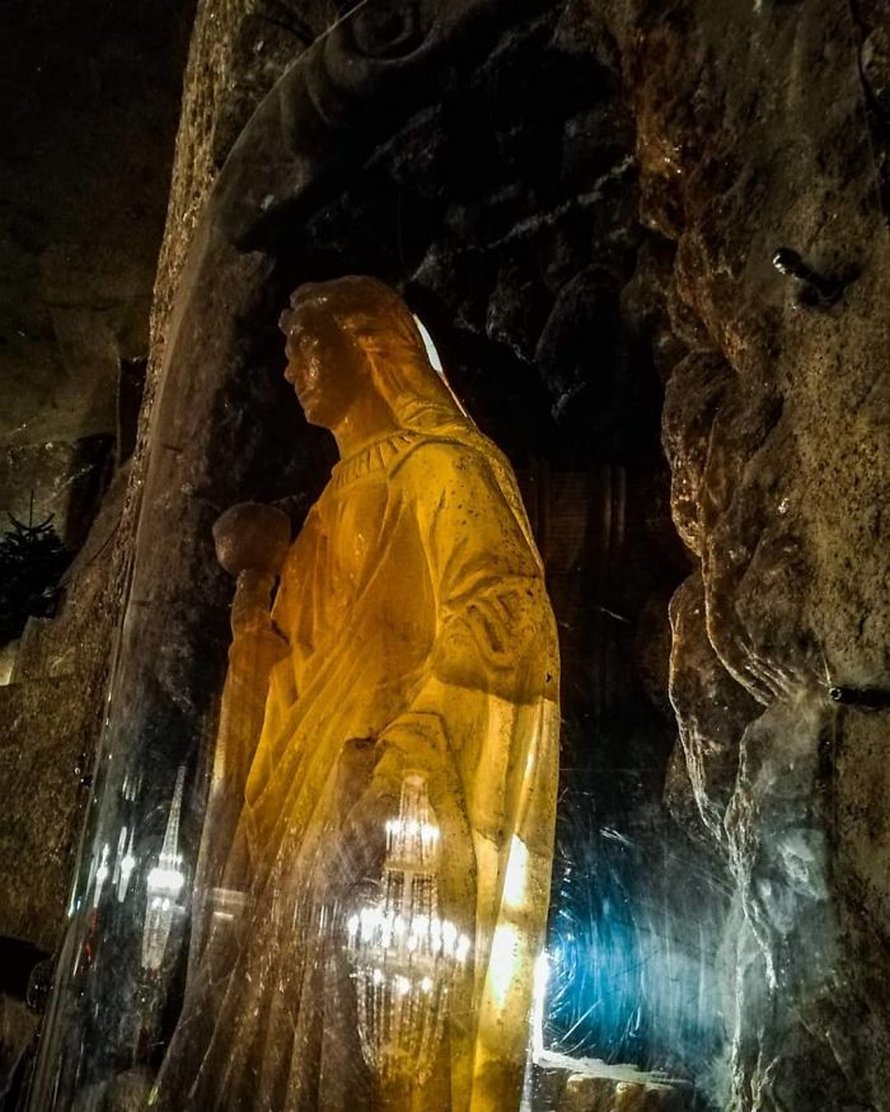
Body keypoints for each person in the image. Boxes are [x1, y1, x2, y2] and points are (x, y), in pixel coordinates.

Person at [152, 276, 559, 1111]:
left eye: (309, 345)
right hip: (291, 822)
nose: (293, 368)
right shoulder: (328, 508)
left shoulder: (443, 467)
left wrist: (403, 751)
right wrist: (252, 623)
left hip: (370, 813)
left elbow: (505, 614)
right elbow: (291, 679)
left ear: (370, 347)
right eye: (289, 352)